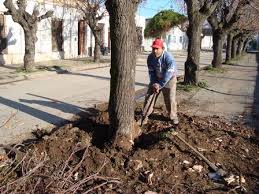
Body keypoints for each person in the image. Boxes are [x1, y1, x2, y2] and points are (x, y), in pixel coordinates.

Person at [140, 38, 178, 125]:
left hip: (170, 79)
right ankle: (144, 116)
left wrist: (160, 85)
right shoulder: (150, 58)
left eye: (157, 48)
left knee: (170, 98)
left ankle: (173, 116)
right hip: (157, 78)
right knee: (149, 97)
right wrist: (154, 83)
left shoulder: (169, 58)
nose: (155, 51)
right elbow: (151, 72)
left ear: (162, 49)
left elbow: (169, 74)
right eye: (153, 48)